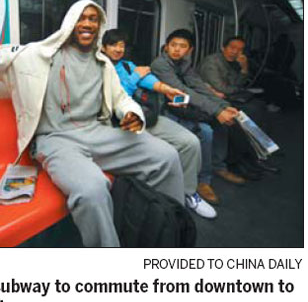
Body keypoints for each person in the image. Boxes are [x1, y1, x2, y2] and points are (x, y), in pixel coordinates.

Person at [0, 0, 185, 247]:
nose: (87, 23)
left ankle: (169, 233)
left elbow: (121, 99)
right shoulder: (32, 56)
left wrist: (132, 114)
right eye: (81, 18)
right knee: (92, 190)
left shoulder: (104, 63)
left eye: (93, 19)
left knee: (166, 156)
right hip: (56, 140)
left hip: (97, 132)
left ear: (100, 25)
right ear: (70, 22)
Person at [101, 29, 217, 219]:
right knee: (166, 153)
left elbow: (149, 80)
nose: (118, 49)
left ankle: (189, 193)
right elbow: (115, 98)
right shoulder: (100, 68)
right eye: (113, 45)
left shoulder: (128, 65)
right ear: (103, 47)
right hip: (122, 123)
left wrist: (166, 89)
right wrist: (135, 77)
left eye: (122, 45)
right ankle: (163, 202)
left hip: (146, 116)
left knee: (191, 142)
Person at [151, 29, 246, 205]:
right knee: (206, 131)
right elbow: (183, 90)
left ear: (189, 50)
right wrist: (217, 111)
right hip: (165, 110)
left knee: (222, 124)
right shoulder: (160, 64)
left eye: (182, 46)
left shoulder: (184, 64)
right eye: (173, 45)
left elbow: (199, 87)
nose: (177, 49)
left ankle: (218, 166)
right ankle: (203, 180)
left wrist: (224, 106)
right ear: (166, 47)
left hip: (182, 106)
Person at [199, 36, 280, 174]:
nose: (235, 52)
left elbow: (238, 83)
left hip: (228, 96)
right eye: (232, 48)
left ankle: (263, 149)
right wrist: (236, 88)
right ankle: (250, 156)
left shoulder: (235, 62)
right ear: (223, 47)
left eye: (240, 49)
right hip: (212, 99)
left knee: (260, 106)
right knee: (249, 112)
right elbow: (222, 88)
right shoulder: (212, 62)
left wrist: (244, 68)